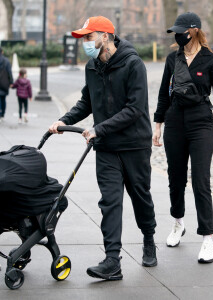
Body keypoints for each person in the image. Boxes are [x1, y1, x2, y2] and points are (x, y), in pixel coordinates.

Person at [49, 16, 157, 280]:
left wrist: (99, 128)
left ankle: (148, 239)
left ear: (105, 36)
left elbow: (134, 109)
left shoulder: (133, 64)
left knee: (140, 197)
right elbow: (87, 101)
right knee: (109, 202)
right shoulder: (92, 66)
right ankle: (112, 261)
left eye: (89, 36)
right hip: (107, 147)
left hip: (134, 145)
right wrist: (64, 120)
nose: (85, 42)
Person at [153, 12, 213, 263]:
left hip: (201, 123)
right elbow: (163, 93)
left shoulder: (211, 59)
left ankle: (207, 238)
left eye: (182, 30)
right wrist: (158, 124)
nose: (178, 35)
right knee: (175, 179)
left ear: (194, 30)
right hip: (175, 121)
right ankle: (178, 223)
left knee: (200, 180)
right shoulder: (171, 59)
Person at [0, 47, 13, 122]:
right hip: (4, 83)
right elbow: (9, 73)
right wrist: (11, 82)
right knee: (3, 99)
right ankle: (2, 114)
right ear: (2, 52)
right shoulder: (6, 61)